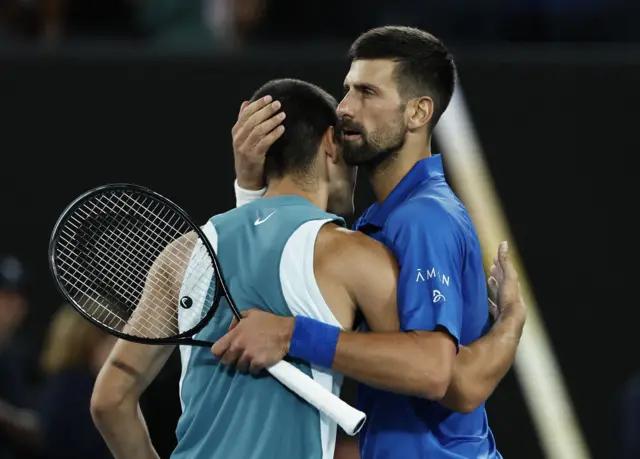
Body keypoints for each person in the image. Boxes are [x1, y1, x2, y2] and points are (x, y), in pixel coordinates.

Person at [214, 26, 527, 459]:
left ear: (418, 113)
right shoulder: (384, 217)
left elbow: (438, 374)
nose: (343, 108)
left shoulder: (424, 219)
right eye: (346, 90)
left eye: (367, 92)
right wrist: (250, 189)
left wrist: (290, 334)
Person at [90, 78, 405, 459]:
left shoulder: (184, 251)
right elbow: (419, 371)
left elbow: (110, 400)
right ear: (330, 143)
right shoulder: (351, 253)